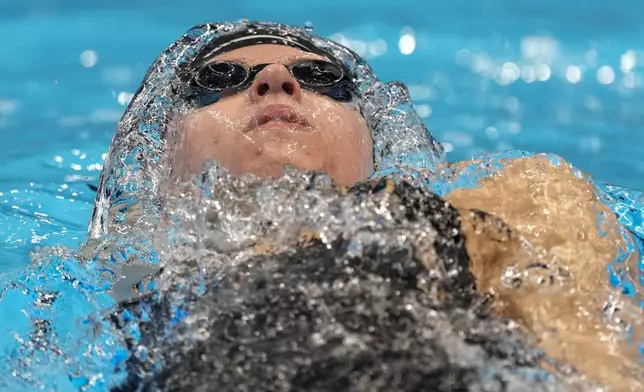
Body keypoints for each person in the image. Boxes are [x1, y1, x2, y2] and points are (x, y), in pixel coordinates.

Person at [88, 21, 643, 390]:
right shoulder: (124, 293)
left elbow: (602, 365)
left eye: (321, 77)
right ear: (159, 161)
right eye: (217, 79)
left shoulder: (498, 205)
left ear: (370, 137)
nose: (276, 79)